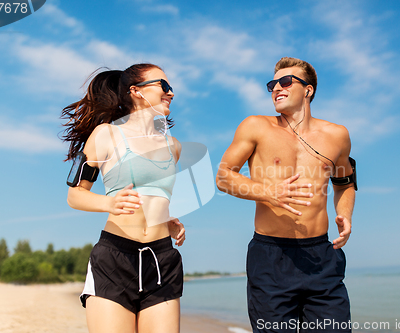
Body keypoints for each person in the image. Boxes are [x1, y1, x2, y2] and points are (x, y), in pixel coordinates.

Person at [216, 57, 356, 333]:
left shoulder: (337, 135)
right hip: (270, 257)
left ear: (308, 90)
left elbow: (344, 182)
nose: (276, 88)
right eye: (272, 84)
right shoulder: (255, 126)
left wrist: (345, 215)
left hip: (321, 256)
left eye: (285, 81)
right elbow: (223, 177)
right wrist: (268, 192)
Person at [60, 63, 186, 333]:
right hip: (114, 260)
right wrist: (109, 202)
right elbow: (75, 195)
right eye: (163, 85)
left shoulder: (173, 146)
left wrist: (167, 220)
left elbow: (154, 196)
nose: (171, 92)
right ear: (136, 91)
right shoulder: (105, 134)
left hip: (162, 260)